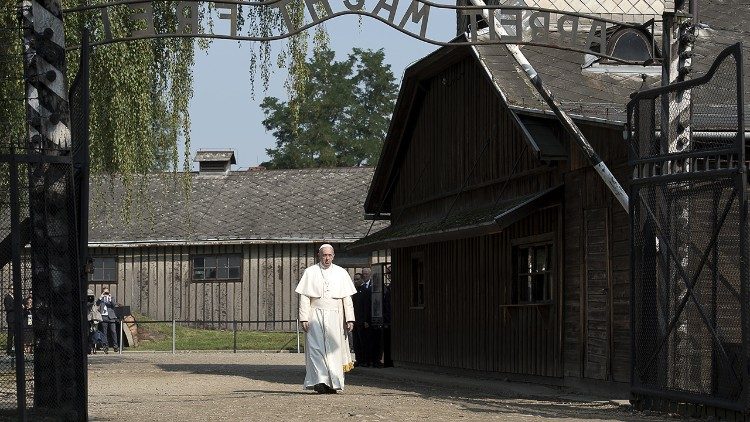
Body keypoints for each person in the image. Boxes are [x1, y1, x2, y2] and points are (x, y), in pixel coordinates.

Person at [296, 244, 356, 394]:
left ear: (333, 256)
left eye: (330, 255)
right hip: (315, 314)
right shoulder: (310, 272)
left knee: (334, 349)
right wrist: (303, 318)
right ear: (319, 255)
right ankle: (320, 381)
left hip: (336, 315)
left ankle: (334, 383)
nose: (327, 258)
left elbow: (346, 298)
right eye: (324, 255)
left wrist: (350, 318)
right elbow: (304, 297)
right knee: (316, 349)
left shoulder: (341, 273)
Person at [353, 268, 372, 366]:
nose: (356, 281)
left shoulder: (365, 290)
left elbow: (366, 307)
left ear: (361, 280)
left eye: (357, 279)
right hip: (355, 320)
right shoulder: (354, 291)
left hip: (362, 320)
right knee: (356, 342)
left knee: (364, 341)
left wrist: (366, 320)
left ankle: (365, 360)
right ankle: (359, 359)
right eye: (354, 279)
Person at [97, 288, 119, 353]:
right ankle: (105, 346)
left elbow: (114, 305)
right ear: (102, 292)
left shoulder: (111, 298)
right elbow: (97, 304)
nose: (106, 293)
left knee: (113, 331)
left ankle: (115, 346)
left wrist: (110, 298)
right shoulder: (101, 299)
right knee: (104, 332)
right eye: (105, 292)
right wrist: (101, 297)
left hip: (111, 316)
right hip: (104, 316)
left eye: (107, 292)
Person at [86, 289, 103, 354]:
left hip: (91, 318)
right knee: (89, 334)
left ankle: (89, 348)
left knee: (91, 334)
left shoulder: (92, 300)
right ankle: (88, 348)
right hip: (88, 317)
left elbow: (93, 304)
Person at [3, 290, 13, 356]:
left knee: (17, 335)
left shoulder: (14, 297)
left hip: (16, 318)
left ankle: (14, 350)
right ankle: (9, 351)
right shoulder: (7, 297)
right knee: (10, 335)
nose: (13, 290)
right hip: (11, 318)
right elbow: (7, 308)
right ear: (9, 289)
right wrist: (16, 307)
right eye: (12, 288)